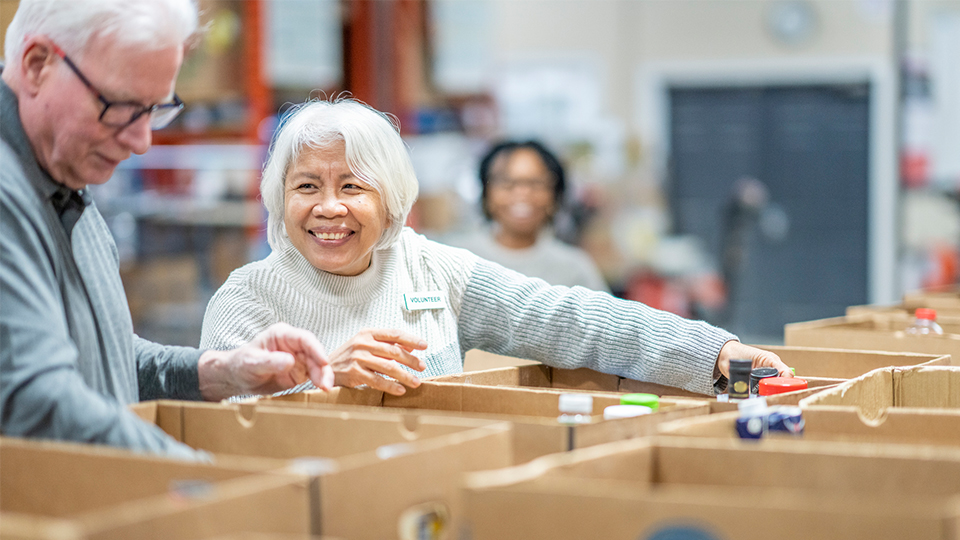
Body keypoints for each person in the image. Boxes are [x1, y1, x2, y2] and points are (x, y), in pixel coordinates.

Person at [200, 97, 789, 399]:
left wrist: (716, 353)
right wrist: (325, 387)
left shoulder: (431, 267)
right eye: (307, 187)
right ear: (280, 198)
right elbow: (219, 435)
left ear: (393, 199)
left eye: (352, 186)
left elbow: (570, 318)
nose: (328, 208)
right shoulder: (247, 300)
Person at [0, 0, 334, 460]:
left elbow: (102, 359)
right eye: (119, 106)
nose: (141, 141)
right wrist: (209, 481)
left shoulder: (62, 174)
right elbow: (35, 402)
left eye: (155, 110)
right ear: (38, 65)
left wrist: (221, 371)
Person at [447, 140, 608, 291]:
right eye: (506, 182)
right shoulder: (455, 259)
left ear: (555, 195)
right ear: (486, 193)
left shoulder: (575, 270)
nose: (522, 193)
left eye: (536, 183)